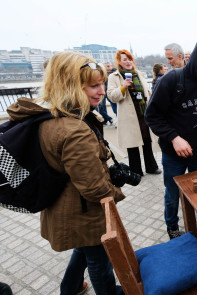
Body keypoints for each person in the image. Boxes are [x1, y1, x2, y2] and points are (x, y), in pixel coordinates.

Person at [17, 51, 126, 294]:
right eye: (94, 86)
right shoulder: (74, 129)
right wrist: (116, 192)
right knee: (99, 259)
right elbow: (94, 188)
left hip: (66, 204)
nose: (102, 91)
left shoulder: (51, 116)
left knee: (83, 248)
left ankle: (71, 287)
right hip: (83, 210)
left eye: (102, 84)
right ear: (71, 87)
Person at [145, 33, 197, 240]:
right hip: (173, 153)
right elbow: (152, 116)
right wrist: (174, 137)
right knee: (173, 194)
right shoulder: (172, 80)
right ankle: (172, 226)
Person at [107, 50, 161, 176]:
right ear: (119, 62)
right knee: (132, 145)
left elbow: (147, 93)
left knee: (147, 141)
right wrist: (123, 86)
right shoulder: (114, 77)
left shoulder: (139, 74)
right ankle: (136, 171)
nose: (128, 62)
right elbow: (111, 96)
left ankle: (151, 167)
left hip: (143, 113)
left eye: (130, 59)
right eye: (125, 59)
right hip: (128, 116)